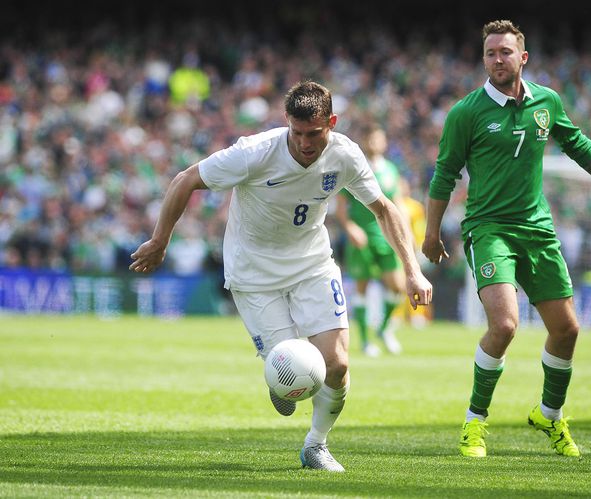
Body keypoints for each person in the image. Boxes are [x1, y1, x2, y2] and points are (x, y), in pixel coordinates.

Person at [130, 81, 432, 472]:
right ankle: (280, 377)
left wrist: (412, 271)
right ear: (286, 122)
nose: (305, 143)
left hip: (312, 264)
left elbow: (386, 210)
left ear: (332, 123)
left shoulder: (346, 155)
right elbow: (184, 179)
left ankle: (316, 446)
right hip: (254, 274)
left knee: (336, 364)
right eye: (297, 133)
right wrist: (160, 240)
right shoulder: (254, 152)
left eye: (315, 134)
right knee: (291, 371)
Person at [422, 20, 591, 459]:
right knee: (504, 326)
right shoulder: (467, 112)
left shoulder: (546, 102)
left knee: (567, 329)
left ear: (523, 57)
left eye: (505, 52)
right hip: (488, 228)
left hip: (537, 228)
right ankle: (474, 424)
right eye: (490, 54)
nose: (497, 60)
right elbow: (444, 174)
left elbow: (575, 142)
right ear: (484, 60)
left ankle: (549, 416)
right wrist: (430, 234)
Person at [335, 127, 407, 356]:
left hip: (386, 236)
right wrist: (350, 227)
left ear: (384, 142)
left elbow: (397, 204)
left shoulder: (391, 170)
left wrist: (406, 234)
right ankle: (366, 341)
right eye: (370, 138)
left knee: (398, 286)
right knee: (362, 289)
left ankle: (384, 329)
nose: (374, 142)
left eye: (378, 138)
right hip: (362, 237)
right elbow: (341, 208)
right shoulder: (356, 167)